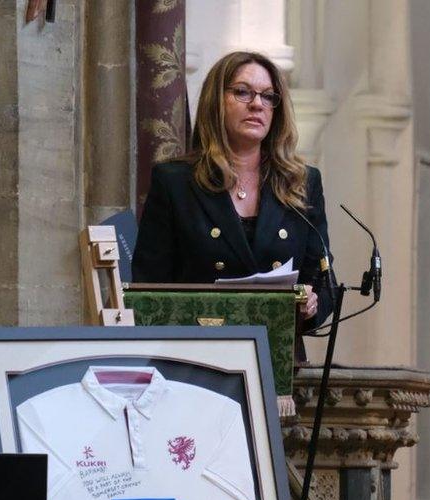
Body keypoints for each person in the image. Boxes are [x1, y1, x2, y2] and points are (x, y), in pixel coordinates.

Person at [132, 51, 332, 327]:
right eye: (242, 92)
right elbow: (148, 289)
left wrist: (311, 304)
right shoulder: (175, 182)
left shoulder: (301, 182)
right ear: (216, 102)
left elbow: (323, 281)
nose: (257, 105)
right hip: (196, 354)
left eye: (267, 96)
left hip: (275, 354)